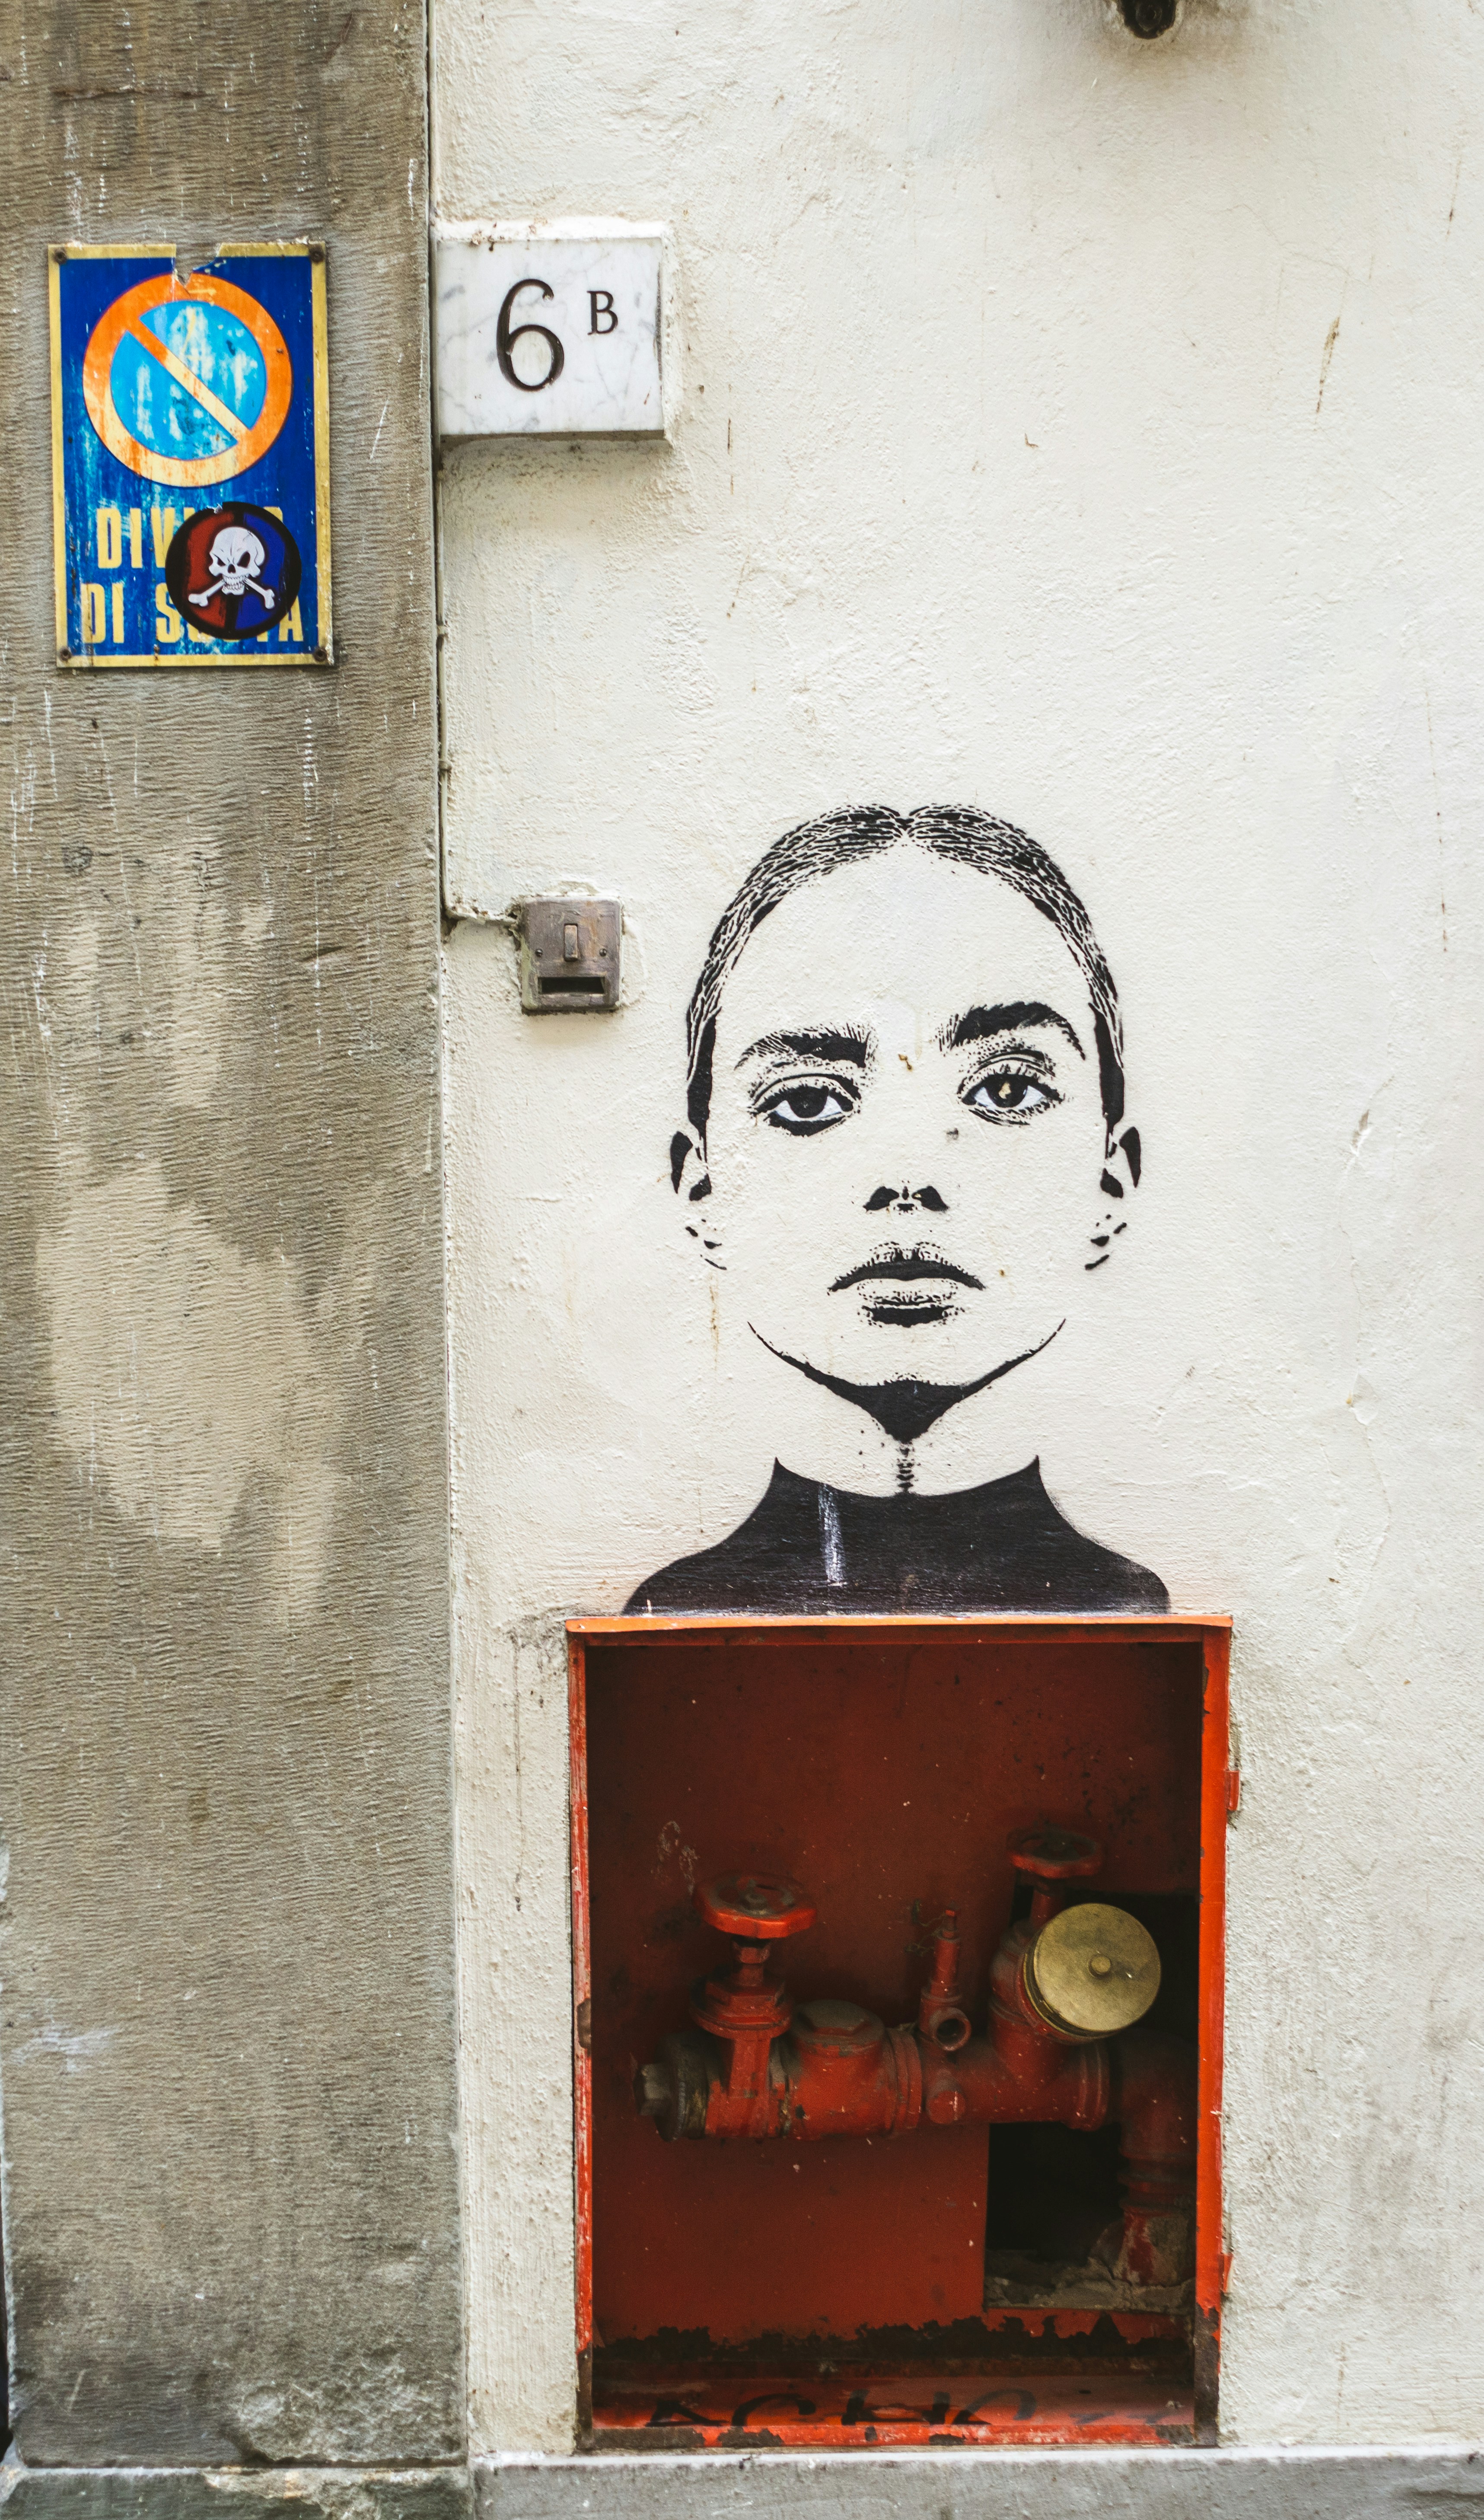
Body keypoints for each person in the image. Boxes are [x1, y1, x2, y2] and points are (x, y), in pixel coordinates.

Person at [627, 804, 1168, 1614]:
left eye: (1007, 1090)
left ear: (1110, 1179)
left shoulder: (1131, 1615)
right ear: (700, 1187)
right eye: (807, 1101)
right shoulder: (674, 1615)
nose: (909, 1177)